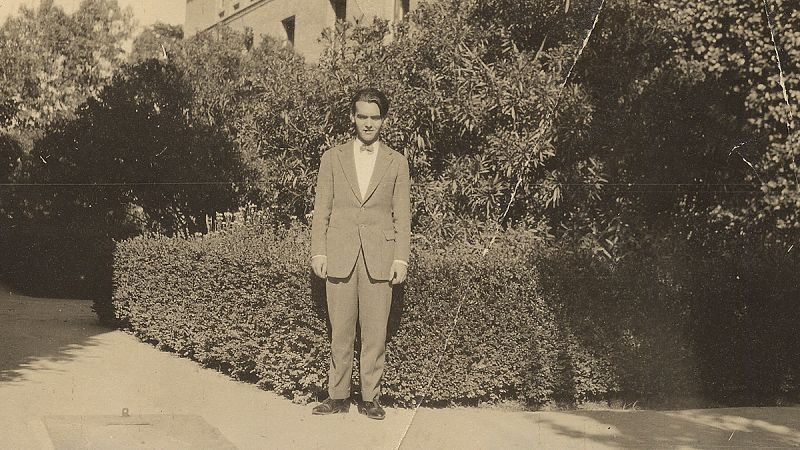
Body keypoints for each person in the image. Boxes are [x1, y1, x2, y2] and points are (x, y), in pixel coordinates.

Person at [309, 87, 411, 420]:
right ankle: (337, 396)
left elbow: (402, 215)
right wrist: (319, 252)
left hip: (379, 258)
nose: (368, 124)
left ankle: (370, 397)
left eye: (375, 117)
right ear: (353, 117)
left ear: (384, 120)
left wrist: (400, 258)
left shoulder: (397, 162)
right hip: (339, 253)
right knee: (340, 329)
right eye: (362, 116)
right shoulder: (332, 158)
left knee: (375, 331)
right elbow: (321, 210)